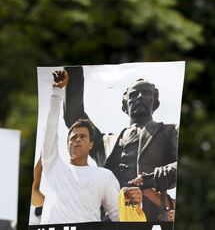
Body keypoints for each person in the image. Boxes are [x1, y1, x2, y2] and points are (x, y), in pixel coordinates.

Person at [63, 67, 178, 221]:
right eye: (133, 95)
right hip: (107, 218)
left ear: (155, 101)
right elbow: (74, 116)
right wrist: (73, 68)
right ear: (125, 105)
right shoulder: (104, 142)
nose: (139, 97)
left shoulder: (169, 131)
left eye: (146, 93)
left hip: (147, 217)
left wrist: (157, 177)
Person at [40, 70, 141, 224]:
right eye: (73, 137)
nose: (77, 140)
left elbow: (120, 217)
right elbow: (50, 130)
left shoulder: (104, 176)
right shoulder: (53, 167)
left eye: (82, 137)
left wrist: (132, 203)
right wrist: (57, 92)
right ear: (67, 145)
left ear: (91, 144)